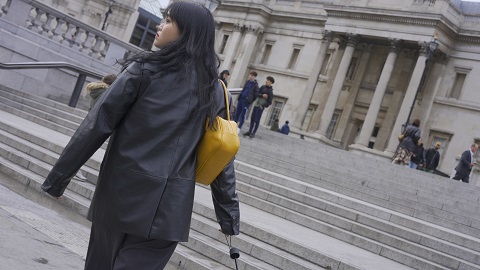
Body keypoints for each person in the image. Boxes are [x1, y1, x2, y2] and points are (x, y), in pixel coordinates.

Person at [41, 2, 239, 269]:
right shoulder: (214, 90)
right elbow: (223, 155)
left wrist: (57, 181)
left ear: (187, 32)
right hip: (168, 210)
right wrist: (227, 217)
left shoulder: (143, 70)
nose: (160, 25)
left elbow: (96, 125)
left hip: (120, 197)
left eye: (168, 21)